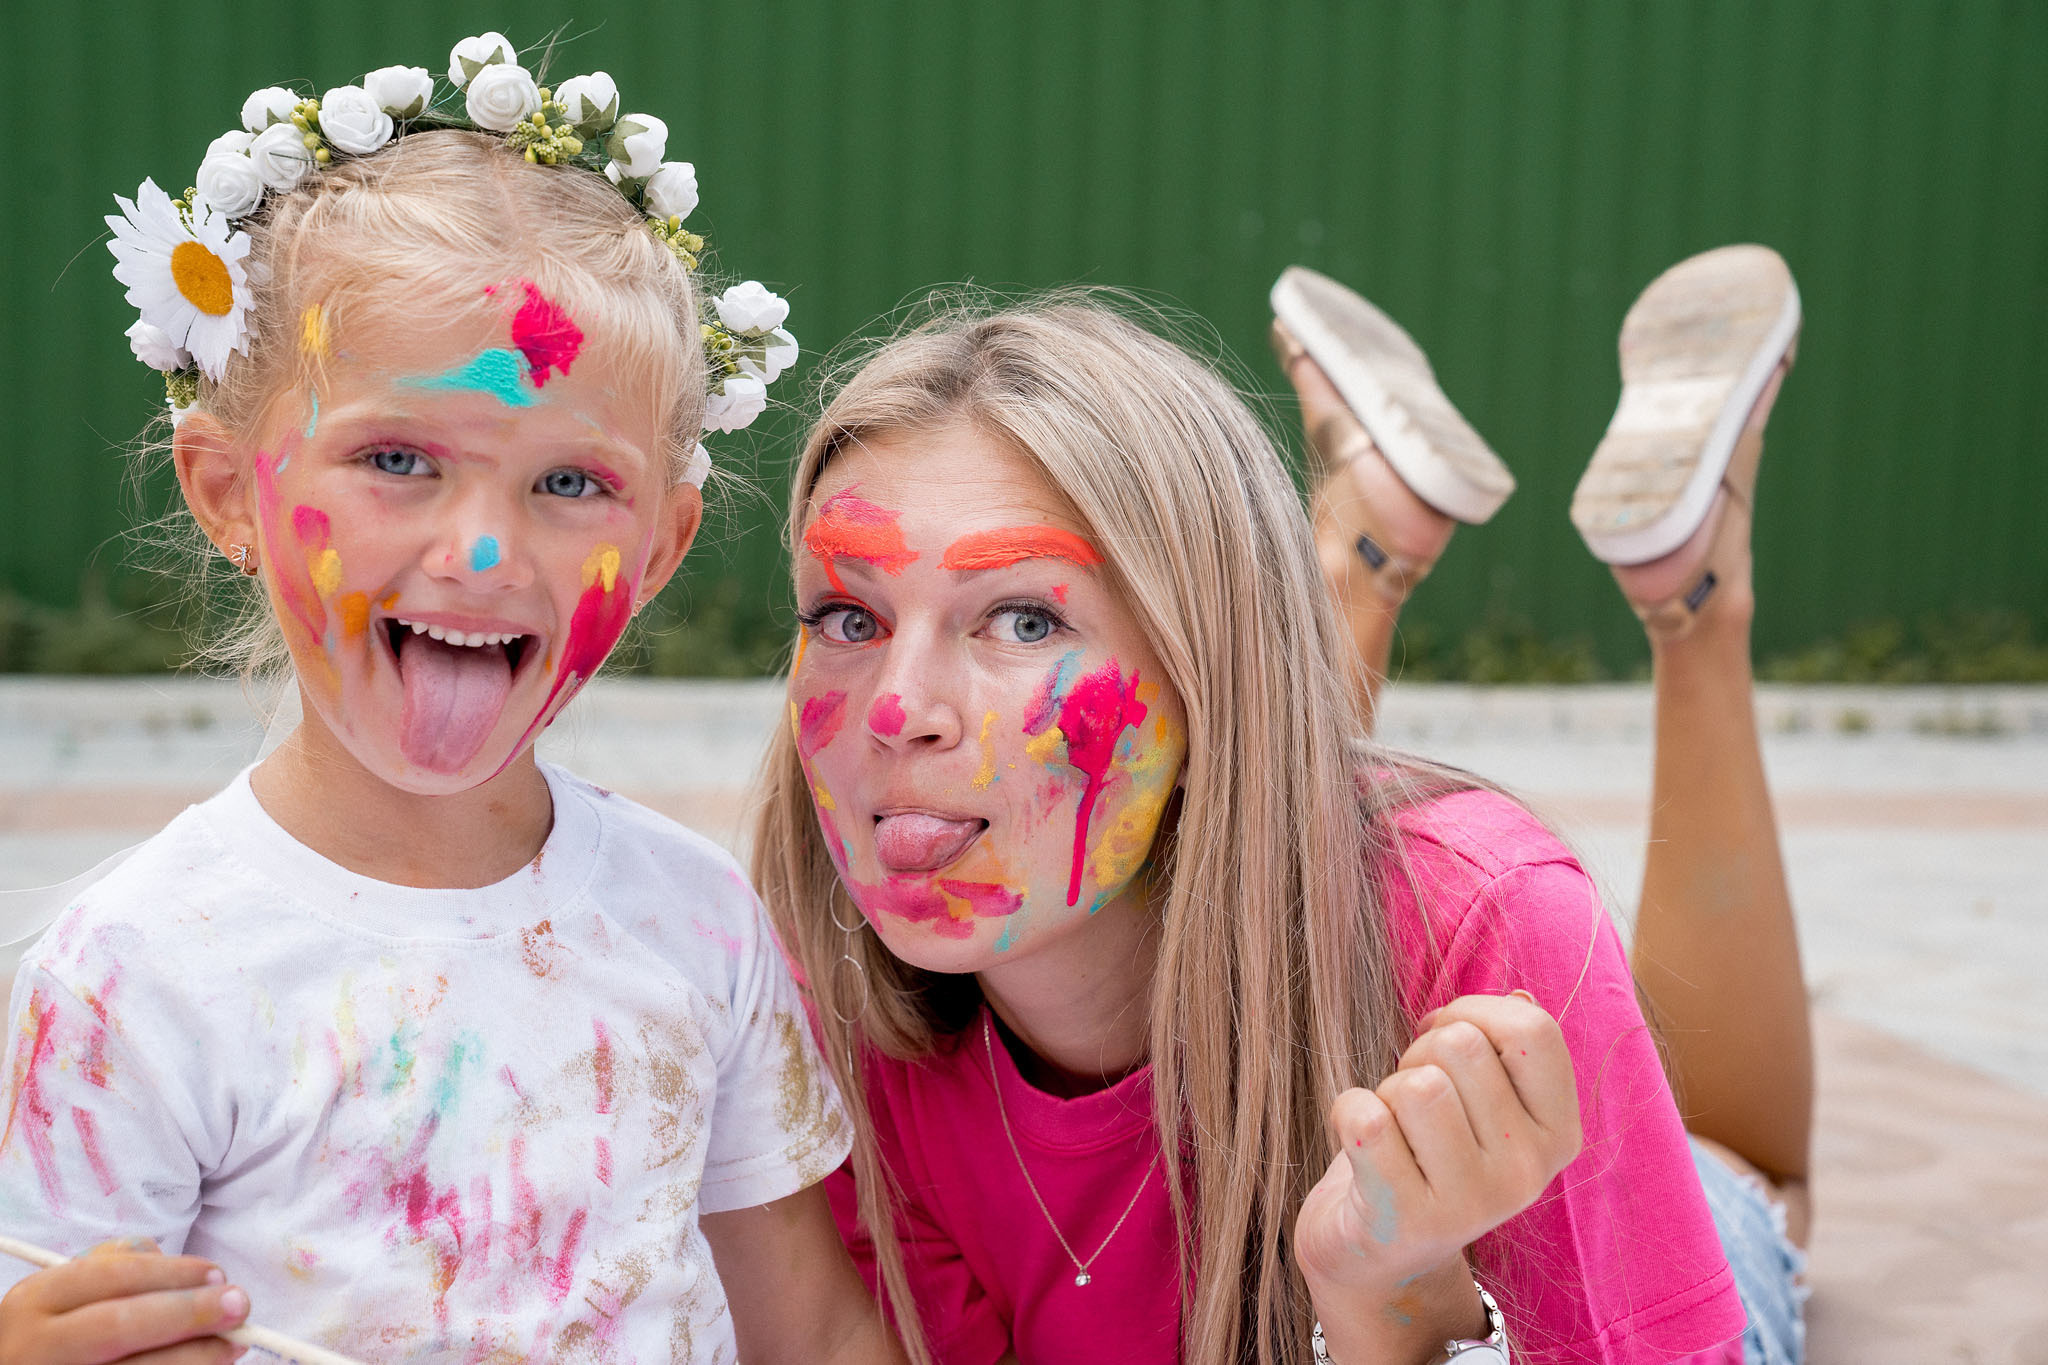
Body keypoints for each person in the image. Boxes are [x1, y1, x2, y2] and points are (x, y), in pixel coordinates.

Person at [0, 36, 900, 1365]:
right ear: (228, 490)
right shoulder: (131, 978)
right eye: (399, 457)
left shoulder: (693, 919)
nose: (484, 551)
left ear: (657, 548)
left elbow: (812, 1331)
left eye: (568, 484)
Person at [751, 259, 1804, 1365]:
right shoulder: (816, 1019)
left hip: (1658, 1266)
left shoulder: (1488, 921)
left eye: (1020, 621)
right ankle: (1362, 534)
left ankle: (1690, 597)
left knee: (1743, 1163)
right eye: (847, 617)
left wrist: (1396, 1307)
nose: (896, 708)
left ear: (1207, 665)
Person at [1272, 246, 1813, 1364]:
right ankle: (1689, 596)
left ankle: (1361, 547)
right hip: (1463, 1248)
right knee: (1722, 1161)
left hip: (1324, 1205)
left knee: (1229, 912)